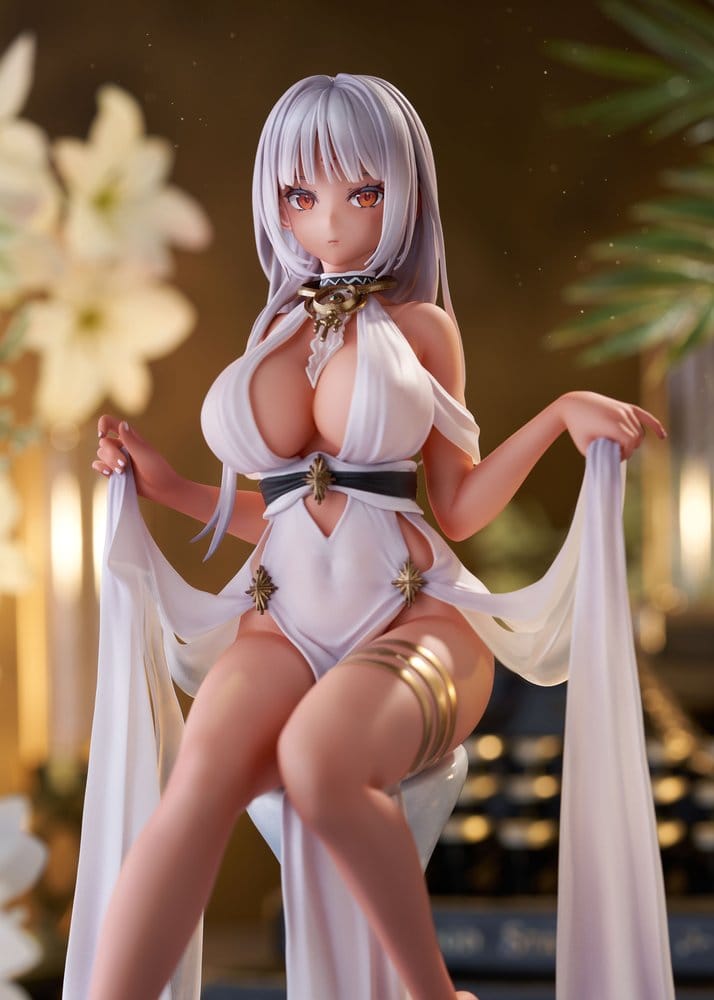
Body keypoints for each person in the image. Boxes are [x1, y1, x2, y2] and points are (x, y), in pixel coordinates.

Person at [69, 74, 672, 1000]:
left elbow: (455, 505)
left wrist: (559, 416)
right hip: (277, 623)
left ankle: (433, 995)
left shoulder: (421, 328)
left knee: (321, 761)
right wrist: (168, 486)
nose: (330, 219)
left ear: (402, 193)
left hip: (411, 618)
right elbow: (276, 507)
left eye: (362, 191)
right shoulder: (275, 327)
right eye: (300, 194)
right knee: (194, 786)